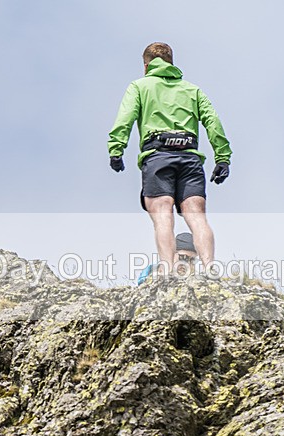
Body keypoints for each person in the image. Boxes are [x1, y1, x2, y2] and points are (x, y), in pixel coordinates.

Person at [108, 42, 231, 276]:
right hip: (189, 156)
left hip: (158, 156)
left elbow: (125, 118)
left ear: (146, 66)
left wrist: (116, 149)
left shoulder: (139, 86)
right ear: (171, 63)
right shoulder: (192, 90)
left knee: (163, 216)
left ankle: (167, 268)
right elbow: (213, 122)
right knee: (197, 216)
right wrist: (222, 157)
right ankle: (210, 268)